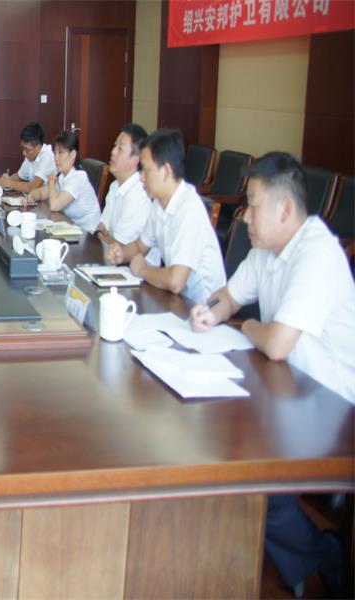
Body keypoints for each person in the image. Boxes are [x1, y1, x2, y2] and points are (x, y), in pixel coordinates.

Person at [190, 151, 352, 596]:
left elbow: (277, 343)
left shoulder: (316, 253)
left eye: (254, 205)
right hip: (286, 388)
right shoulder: (268, 250)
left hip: (334, 405)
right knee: (213, 434)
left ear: (285, 209)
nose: (244, 216)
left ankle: (324, 555)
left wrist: (245, 326)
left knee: (251, 475)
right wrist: (212, 312)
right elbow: (229, 295)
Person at [105, 128, 225, 305]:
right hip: (177, 300)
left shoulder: (188, 209)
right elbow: (140, 246)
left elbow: (176, 281)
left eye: (146, 170)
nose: (141, 178)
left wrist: (143, 270)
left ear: (166, 171)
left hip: (203, 308)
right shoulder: (159, 203)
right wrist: (121, 254)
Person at [28, 129, 101, 233]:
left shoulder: (78, 177)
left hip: (88, 234)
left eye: (60, 153)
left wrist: (51, 182)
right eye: (55, 153)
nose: (56, 158)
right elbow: (41, 193)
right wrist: (30, 197)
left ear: (73, 154)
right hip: (71, 228)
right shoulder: (62, 175)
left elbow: (54, 206)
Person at [96, 123, 154, 248]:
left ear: (135, 160)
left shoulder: (138, 194)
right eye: (115, 145)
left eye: (120, 149)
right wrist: (103, 236)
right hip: (110, 255)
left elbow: (120, 246)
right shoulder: (115, 186)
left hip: (131, 260)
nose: (113, 151)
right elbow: (100, 228)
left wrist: (103, 236)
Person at [0, 122, 57, 194]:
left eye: (27, 149)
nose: (24, 153)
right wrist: (7, 179)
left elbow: (32, 187)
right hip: (35, 198)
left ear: (38, 147)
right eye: (23, 148)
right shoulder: (30, 157)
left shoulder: (48, 156)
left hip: (49, 199)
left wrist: (8, 183)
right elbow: (19, 176)